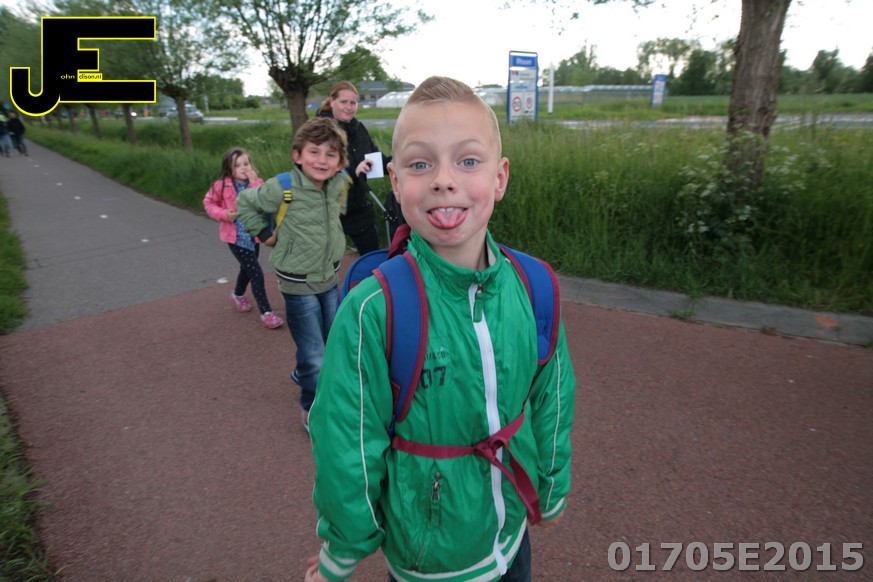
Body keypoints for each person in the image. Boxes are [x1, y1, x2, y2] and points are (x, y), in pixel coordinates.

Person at [305, 76, 576, 582]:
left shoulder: (534, 284)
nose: (443, 180)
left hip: (512, 535)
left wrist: (552, 484)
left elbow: (552, 396)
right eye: (420, 164)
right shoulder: (374, 310)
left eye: (468, 161)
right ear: (395, 180)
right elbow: (347, 442)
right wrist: (343, 549)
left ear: (500, 177)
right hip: (429, 560)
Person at [236, 117, 352, 433]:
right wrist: (263, 233)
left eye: (331, 154)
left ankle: (307, 373)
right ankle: (311, 406)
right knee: (314, 351)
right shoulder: (283, 186)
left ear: (340, 161)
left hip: (329, 278)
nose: (322, 160)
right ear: (297, 155)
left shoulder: (340, 184)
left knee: (331, 342)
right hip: (297, 283)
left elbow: (335, 218)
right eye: (314, 152)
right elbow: (245, 202)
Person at [202, 147, 284, 330]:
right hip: (235, 238)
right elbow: (208, 203)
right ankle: (266, 313)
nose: (244, 168)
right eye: (237, 165)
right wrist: (224, 214)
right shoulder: (221, 185)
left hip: (254, 236)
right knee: (256, 273)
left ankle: (237, 294)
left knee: (247, 269)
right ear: (229, 169)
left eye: (246, 163)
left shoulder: (258, 183)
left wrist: (254, 183)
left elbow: (263, 203)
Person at [317, 81, 390, 255]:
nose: (349, 107)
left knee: (371, 258)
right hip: (328, 209)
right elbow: (318, 170)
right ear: (332, 101)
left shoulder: (358, 128)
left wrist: (398, 164)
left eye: (353, 103)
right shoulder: (320, 130)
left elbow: (374, 160)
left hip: (358, 207)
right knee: (326, 263)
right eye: (344, 102)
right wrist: (353, 172)